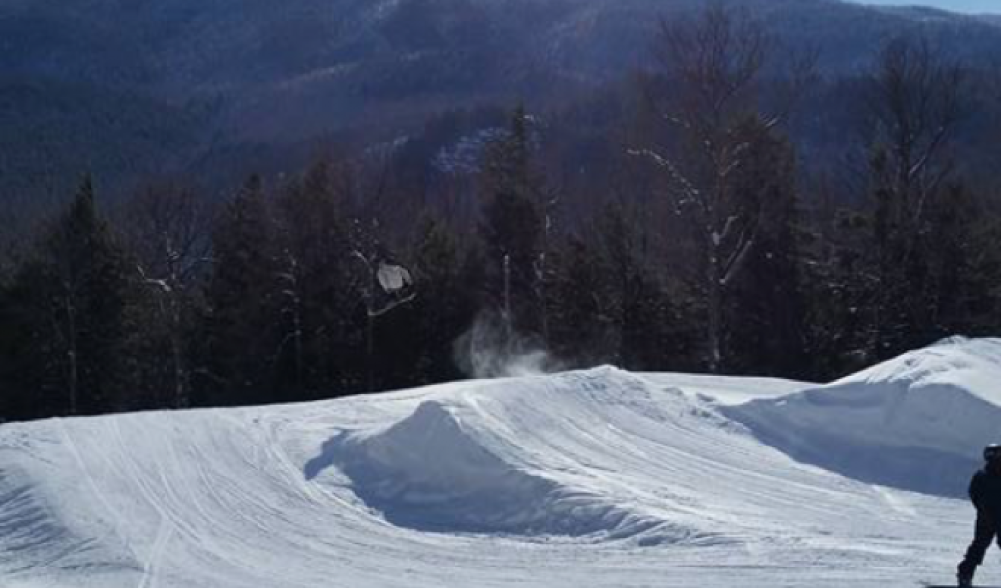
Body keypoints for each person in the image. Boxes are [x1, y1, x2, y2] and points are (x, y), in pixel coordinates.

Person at [958, 444, 1001, 587]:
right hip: (986, 518)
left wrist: (982, 509)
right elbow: (974, 494)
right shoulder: (982, 475)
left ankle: (965, 575)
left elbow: (974, 494)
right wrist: (983, 509)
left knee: (978, 546)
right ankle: (965, 575)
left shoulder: (981, 475)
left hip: (987, 517)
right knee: (979, 546)